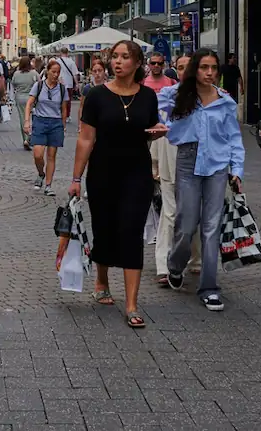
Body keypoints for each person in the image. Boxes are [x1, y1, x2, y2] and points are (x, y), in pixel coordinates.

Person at [68, 41, 164, 327]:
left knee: (132, 231)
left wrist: (155, 133)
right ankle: (101, 279)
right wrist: (76, 178)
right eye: (115, 57)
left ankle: (132, 304)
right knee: (105, 228)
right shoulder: (97, 95)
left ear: (137, 64)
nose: (118, 62)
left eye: (125, 57)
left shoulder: (147, 96)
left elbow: (149, 129)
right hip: (103, 171)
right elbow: (86, 138)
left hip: (137, 171)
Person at [160, 49, 244, 312]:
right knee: (186, 223)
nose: (209, 73)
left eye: (213, 68)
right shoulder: (178, 94)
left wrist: (237, 169)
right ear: (195, 69)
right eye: (204, 67)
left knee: (211, 227)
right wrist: (163, 125)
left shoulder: (225, 102)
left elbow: (234, 138)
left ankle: (209, 288)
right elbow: (152, 104)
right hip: (187, 160)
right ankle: (175, 265)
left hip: (218, 165)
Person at [154, 55, 199, 286]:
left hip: (199, 167)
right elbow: (157, 129)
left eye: (188, 68)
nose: (184, 71)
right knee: (170, 214)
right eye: (180, 68)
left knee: (195, 214)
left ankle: (196, 259)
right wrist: (154, 163)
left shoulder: (208, 98)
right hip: (170, 164)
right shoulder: (168, 97)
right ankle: (163, 264)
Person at [26, 59, 71, 196]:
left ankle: (48, 185)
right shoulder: (38, 86)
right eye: (53, 72)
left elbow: (64, 109)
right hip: (40, 121)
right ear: (47, 71)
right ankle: (41, 173)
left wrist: (63, 125)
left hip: (55, 123)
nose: (56, 75)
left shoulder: (62, 89)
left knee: (51, 156)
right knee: (38, 154)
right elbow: (29, 103)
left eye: (58, 72)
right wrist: (27, 121)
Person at [11, 56, 40, 150]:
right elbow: (39, 83)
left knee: (23, 118)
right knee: (33, 118)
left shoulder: (16, 73)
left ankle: (25, 139)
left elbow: (13, 83)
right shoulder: (34, 73)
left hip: (19, 97)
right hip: (31, 97)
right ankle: (30, 138)